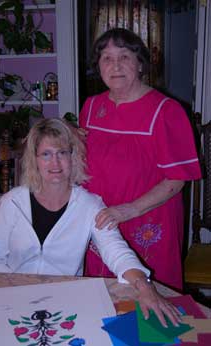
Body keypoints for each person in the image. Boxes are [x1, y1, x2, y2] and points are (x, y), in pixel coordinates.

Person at [0, 118, 181, 327]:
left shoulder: (90, 205)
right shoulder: (11, 202)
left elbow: (116, 251)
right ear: (34, 160)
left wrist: (144, 285)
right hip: (12, 299)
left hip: (64, 300)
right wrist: (20, 291)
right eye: (46, 154)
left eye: (63, 153)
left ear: (73, 156)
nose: (55, 163)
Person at [79, 28, 201, 291]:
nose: (116, 66)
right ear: (98, 66)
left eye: (124, 56)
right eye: (107, 58)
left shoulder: (167, 111)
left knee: (150, 304)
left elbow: (177, 179)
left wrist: (128, 210)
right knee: (100, 295)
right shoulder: (90, 107)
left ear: (140, 63)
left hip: (146, 219)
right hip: (100, 220)